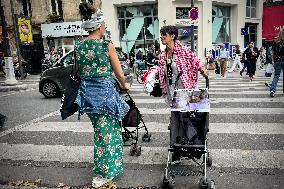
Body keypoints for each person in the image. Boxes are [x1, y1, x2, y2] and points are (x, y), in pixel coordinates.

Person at [75, 3, 130, 188]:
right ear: (99, 26)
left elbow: (79, 72)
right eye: (104, 23)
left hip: (88, 97)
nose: (105, 25)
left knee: (101, 133)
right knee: (108, 134)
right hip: (105, 96)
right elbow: (119, 73)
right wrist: (125, 85)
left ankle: (107, 168)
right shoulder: (106, 45)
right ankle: (102, 174)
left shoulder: (79, 45)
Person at [158, 25, 208, 103]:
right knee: (174, 111)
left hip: (184, 88)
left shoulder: (183, 51)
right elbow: (161, 72)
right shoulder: (163, 55)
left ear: (172, 36)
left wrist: (203, 69)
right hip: (170, 88)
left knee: (183, 112)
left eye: (164, 34)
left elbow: (196, 60)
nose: (161, 37)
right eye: (161, 34)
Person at [269, 28, 284, 97]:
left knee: (276, 76)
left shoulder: (275, 42)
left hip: (277, 61)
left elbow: (273, 53)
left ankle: (272, 90)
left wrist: (272, 60)